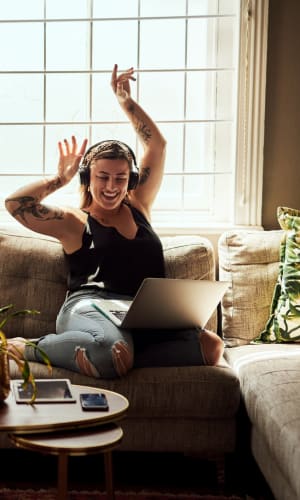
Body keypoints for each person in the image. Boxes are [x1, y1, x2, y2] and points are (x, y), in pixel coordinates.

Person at [5, 64, 224, 379]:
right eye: (102, 177)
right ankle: (26, 346)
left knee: (211, 347)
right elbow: (15, 204)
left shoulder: (139, 205)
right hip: (90, 307)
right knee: (110, 352)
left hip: (138, 315)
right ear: (87, 177)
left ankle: (121, 355)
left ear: (131, 179)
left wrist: (126, 102)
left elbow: (157, 146)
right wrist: (58, 178)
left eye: (120, 178)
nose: (111, 187)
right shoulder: (74, 221)